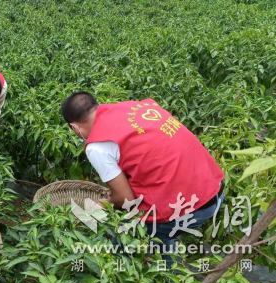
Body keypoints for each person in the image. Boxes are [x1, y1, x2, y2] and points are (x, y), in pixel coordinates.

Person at [61, 92, 225, 261]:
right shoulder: (132, 106)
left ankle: (126, 281)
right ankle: (166, 274)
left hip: (194, 207)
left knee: (123, 241)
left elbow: (126, 200)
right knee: (157, 233)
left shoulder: (96, 147)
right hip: (214, 186)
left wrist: (104, 203)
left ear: (75, 127)